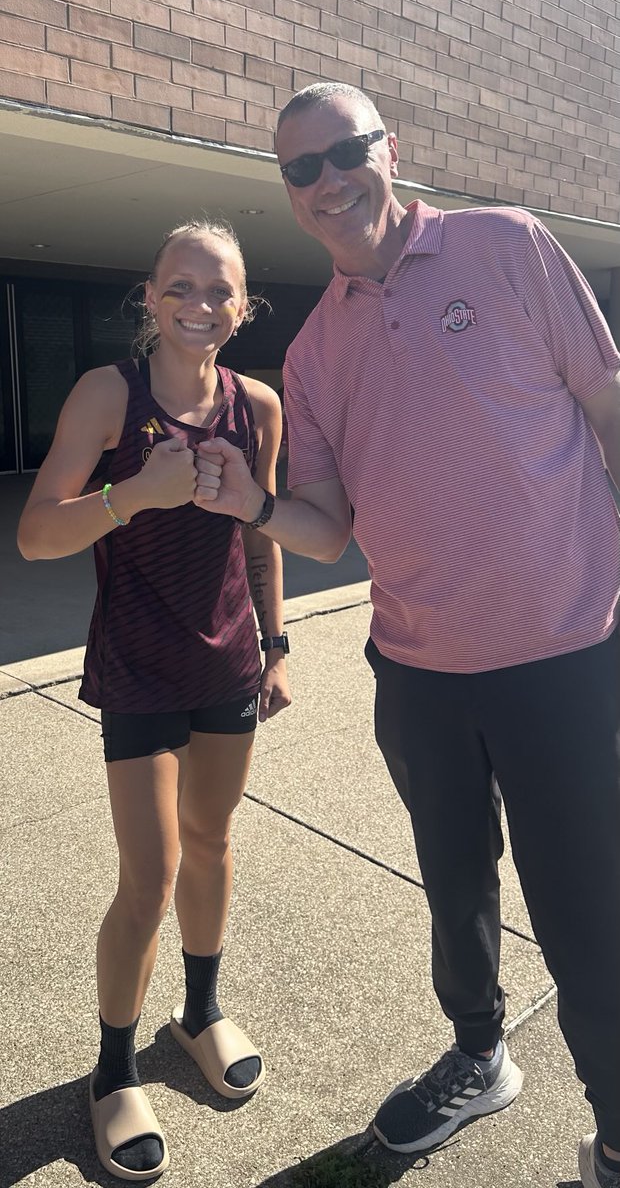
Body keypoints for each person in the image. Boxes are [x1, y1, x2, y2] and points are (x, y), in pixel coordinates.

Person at [192, 84, 620, 1188]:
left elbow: (606, 400)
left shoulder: (508, 247)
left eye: (344, 151)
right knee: (454, 883)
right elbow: (328, 529)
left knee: (585, 910)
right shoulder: (316, 353)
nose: (328, 179)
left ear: (391, 150)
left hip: (563, 656)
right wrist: (248, 501)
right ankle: (478, 1056)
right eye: (300, 168)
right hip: (419, 672)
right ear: (288, 196)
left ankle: (616, 1132)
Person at [17, 219, 291, 1182]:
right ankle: (112, 1070)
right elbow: (36, 536)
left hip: (228, 662)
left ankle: (202, 1012)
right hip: (135, 664)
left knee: (214, 844)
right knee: (152, 875)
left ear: (244, 304)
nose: (200, 306)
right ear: (149, 296)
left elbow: (263, 531)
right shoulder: (108, 395)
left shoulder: (256, 404)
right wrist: (135, 493)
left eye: (220, 291)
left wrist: (279, 641)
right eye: (182, 288)